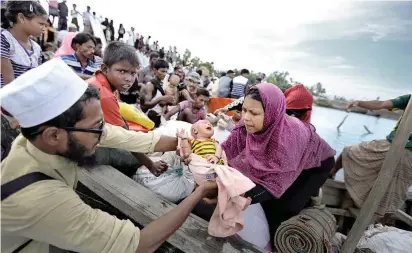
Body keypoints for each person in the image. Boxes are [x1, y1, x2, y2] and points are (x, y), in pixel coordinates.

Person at [0, 58, 218, 253]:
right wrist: (197, 195)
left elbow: (135, 139)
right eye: (97, 126)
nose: (102, 132)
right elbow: (140, 244)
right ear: (53, 135)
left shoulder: (41, 138)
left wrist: (190, 144)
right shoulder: (41, 201)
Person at [198, 83, 336, 241]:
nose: (246, 118)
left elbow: (272, 186)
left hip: (316, 165)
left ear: (271, 113)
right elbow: (227, 149)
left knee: (284, 206)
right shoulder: (246, 124)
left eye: (254, 113)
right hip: (291, 157)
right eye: (244, 110)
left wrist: (229, 196)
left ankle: (275, 241)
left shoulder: (287, 141)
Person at [331, 94, 412, 217]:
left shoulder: (410, 99)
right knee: (393, 195)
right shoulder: (409, 99)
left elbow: (381, 104)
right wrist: (360, 103)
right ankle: (381, 224)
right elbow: (381, 104)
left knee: (348, 152)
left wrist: (359, 102)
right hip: (405, 156)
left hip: (391, 147)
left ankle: (331, 174)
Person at [1, 1, 47, 87]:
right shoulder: (4, 39)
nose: (44, 28)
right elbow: (9, 84)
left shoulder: (36, 48)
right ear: (21, 18)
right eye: (41, 24)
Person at [139, 59, 174, 127]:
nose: (164, 74)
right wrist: (160, 99)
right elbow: (144, 105)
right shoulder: (150, 85)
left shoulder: (163, 84)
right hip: (149, 120)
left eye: (166, 72)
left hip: (158, 118)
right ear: (155, 70)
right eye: (162, 71)